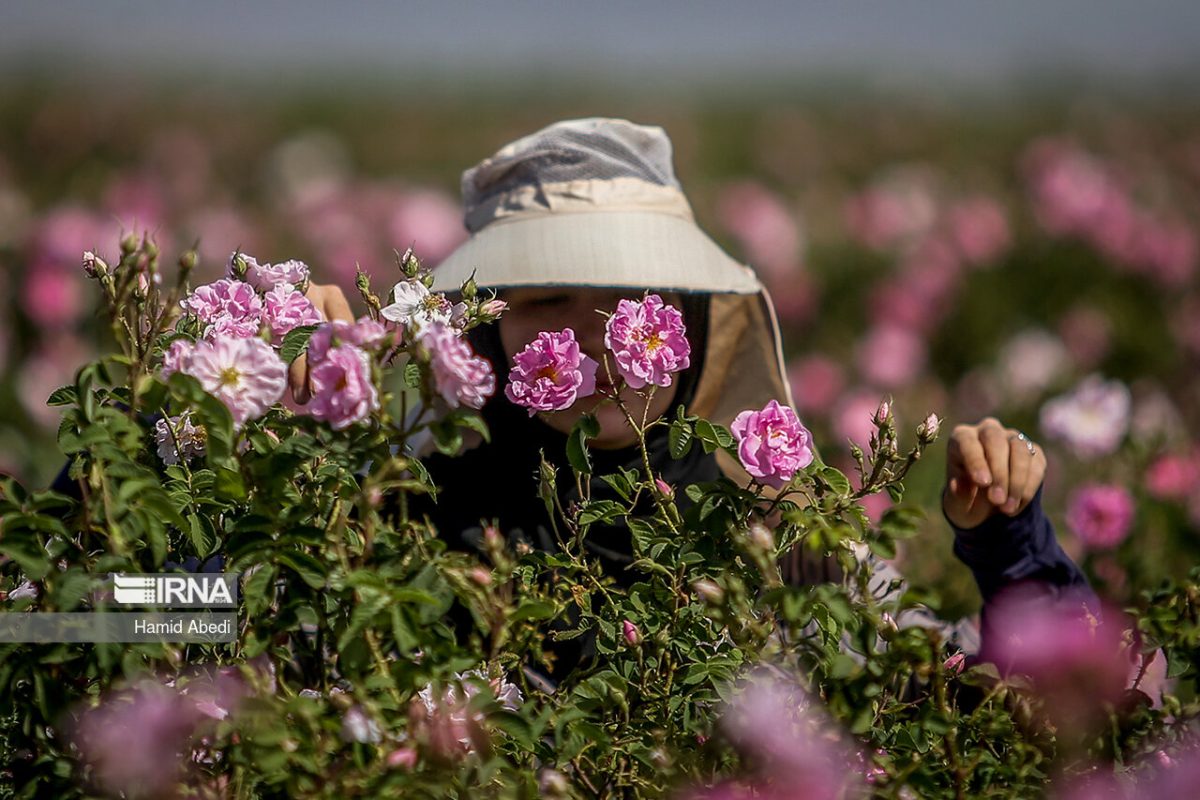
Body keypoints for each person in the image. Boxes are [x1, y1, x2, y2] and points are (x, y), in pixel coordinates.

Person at [297, 118, 1096, 669]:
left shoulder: (781, 539)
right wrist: (287, 450)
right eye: (543, 303)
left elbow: (1021, 697)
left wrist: (1007, 546)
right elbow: (182, 625)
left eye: (633, 298)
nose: (597, 334)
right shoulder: (412, 514)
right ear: (483, 336)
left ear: (695, 324)